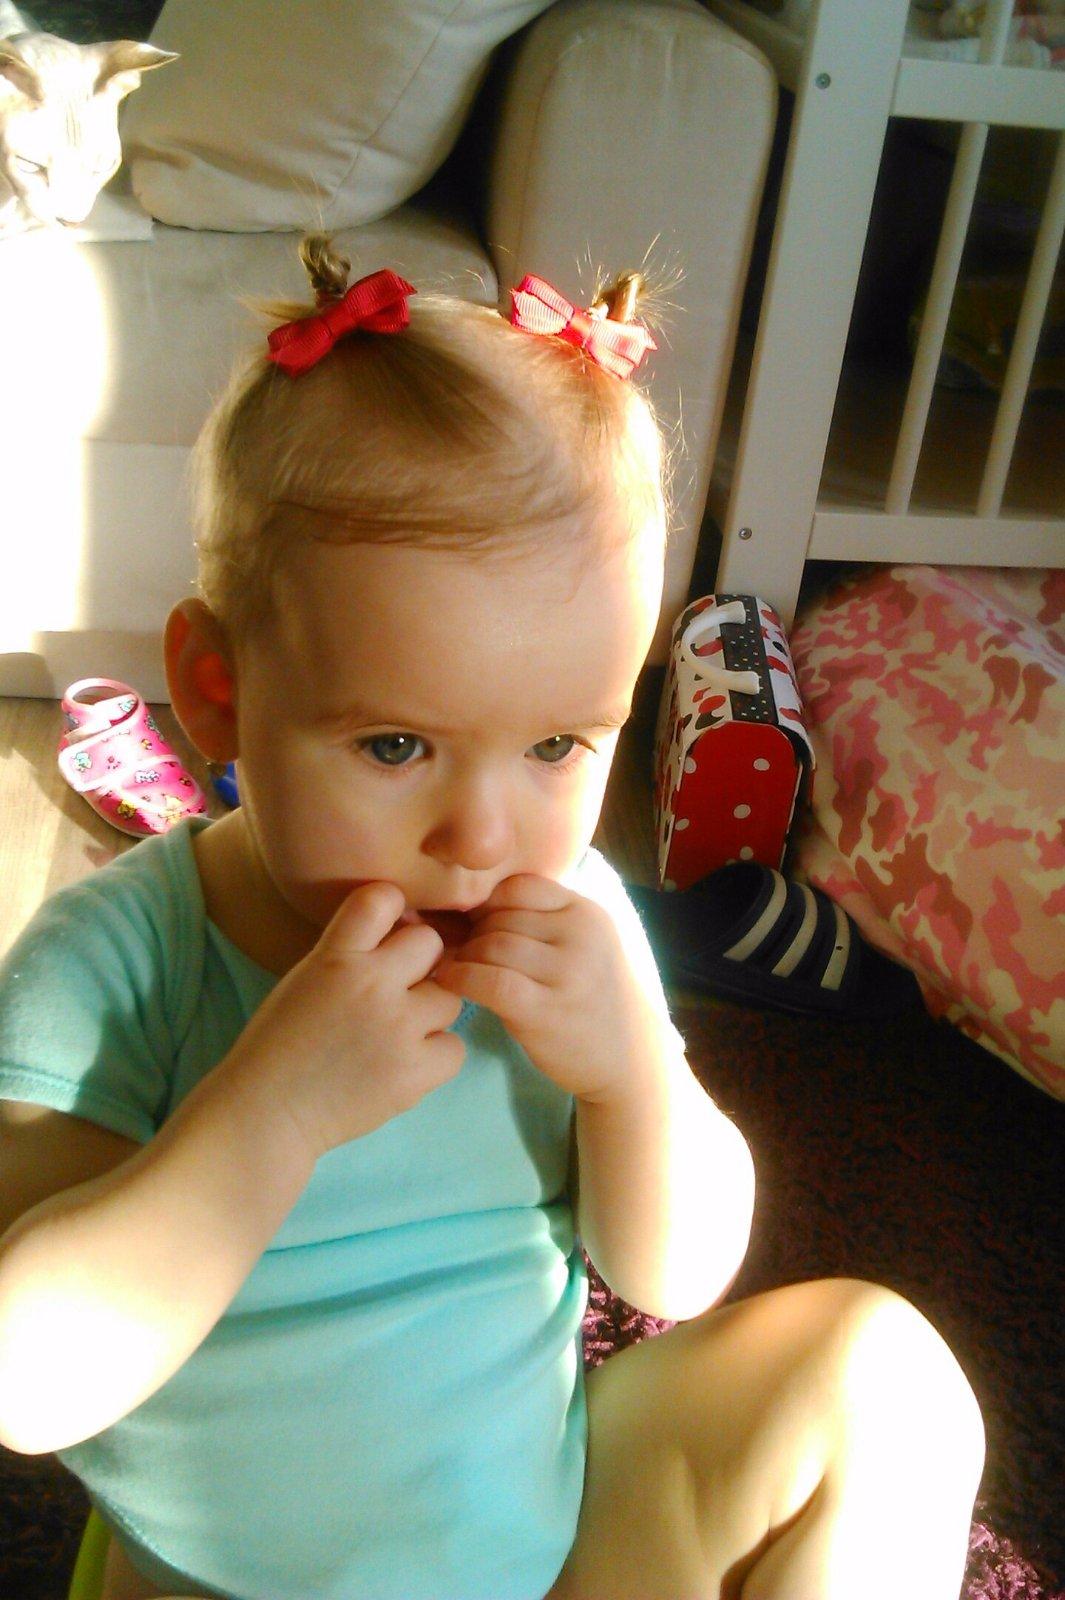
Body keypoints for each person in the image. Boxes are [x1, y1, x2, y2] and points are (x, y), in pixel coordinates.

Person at [0, 240, 984, 1600]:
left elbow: (675, 1276)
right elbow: (29, 1385)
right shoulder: (115, 966)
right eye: (395, 745)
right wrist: (271, 1112)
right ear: (217, 692)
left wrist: (632, 1076)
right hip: (232, 1582)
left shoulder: (571, 923)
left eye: (557, 748)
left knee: (883, 1380)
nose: (481, 839)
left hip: (541, 1546)